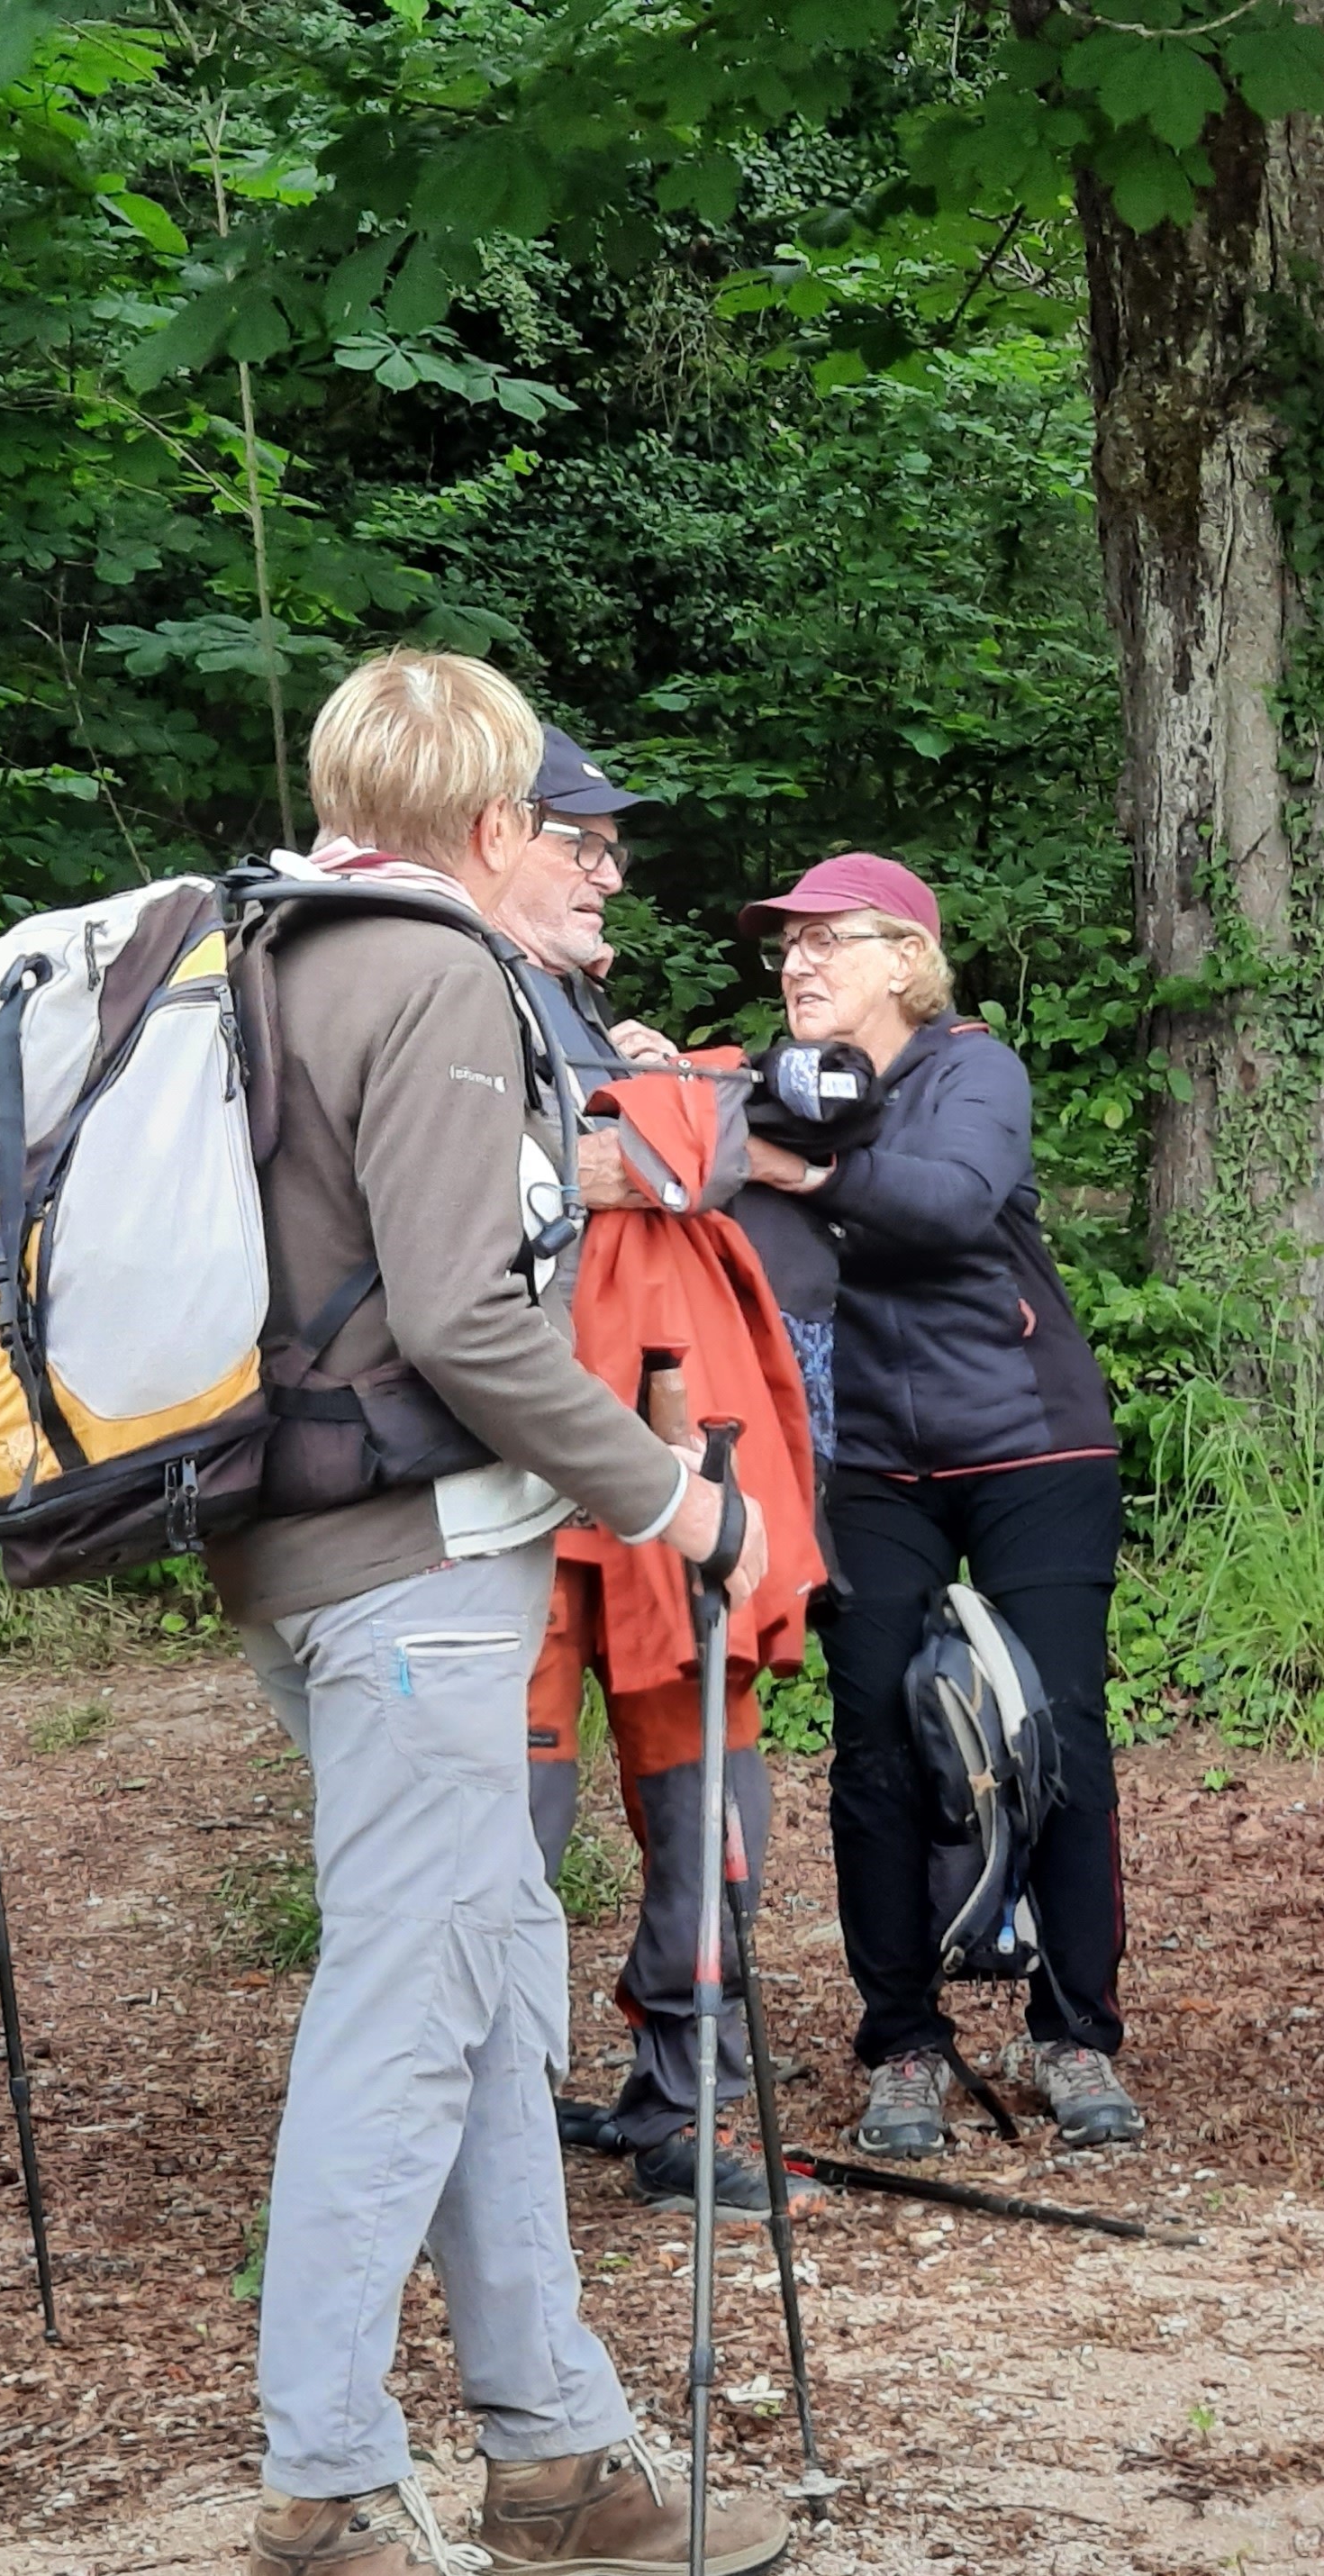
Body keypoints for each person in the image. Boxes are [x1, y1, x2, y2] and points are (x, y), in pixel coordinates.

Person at [215, 655, 781, 2576]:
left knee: (477, 1994)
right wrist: (670, 1499)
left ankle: (550, 2449)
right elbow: (464, 1319)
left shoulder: (268, 951)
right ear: (483, 823)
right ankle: (320, 2502)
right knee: (406, 2012)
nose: (578, 853)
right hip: (419, 1568)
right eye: (550, 819)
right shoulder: (435, 974)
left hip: (297, 1542)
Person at [736, 853, 1143, 2157]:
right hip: (868, 1458)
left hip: (1031, 1442)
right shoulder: (782, 1085)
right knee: (874, 1745)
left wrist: (798, 1171)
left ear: (907, 959)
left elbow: (950, 1201)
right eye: (786, 945)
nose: (798, 962)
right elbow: (689, 1125)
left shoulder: (975, 1069)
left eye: (828, 940)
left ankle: (1074, 2035)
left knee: (1058, 1734)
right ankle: (902, 2043)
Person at [483, 724, 826, 2218]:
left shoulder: (573, 1004)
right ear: (494, 835)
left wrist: (664, 1107)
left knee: (710, 1790)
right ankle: (486, 2114)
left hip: (673, 1455)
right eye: (583, 843)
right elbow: (626, 1161)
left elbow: (773, 1129)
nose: (609, 873)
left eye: (615, 848)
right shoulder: (436, 987)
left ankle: (685, 2101)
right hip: (506, 1465)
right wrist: (659, 1130)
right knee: (509, 1809)